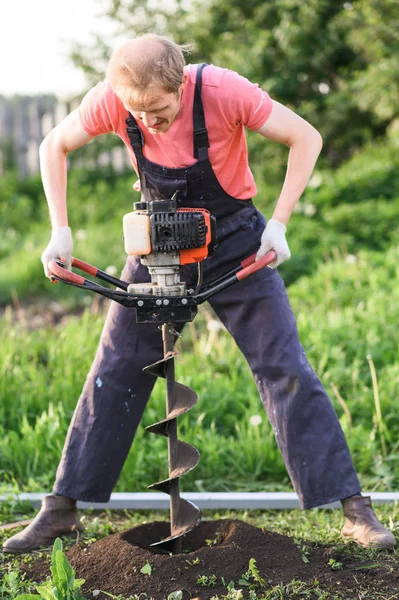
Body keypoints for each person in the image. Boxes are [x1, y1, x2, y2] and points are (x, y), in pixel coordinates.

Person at [3, 34, 395, 553]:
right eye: (135, 112)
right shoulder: (112, 99)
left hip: (235, 242)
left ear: (180, 85)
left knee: (284, 365)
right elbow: (54, 145)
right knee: (115, 367)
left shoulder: (224, 90)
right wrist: (60, 231)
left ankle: (354, 510)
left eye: (159, 110)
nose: (147, 121)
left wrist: (278, 223)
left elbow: (306, 137)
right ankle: (61, 510)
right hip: (156, 244)